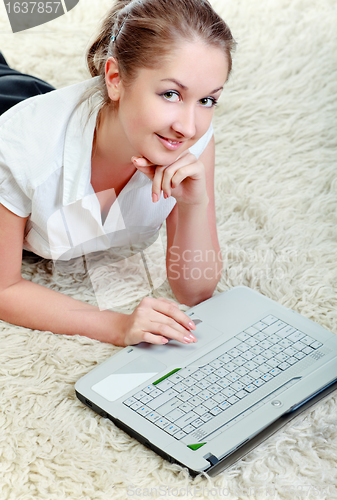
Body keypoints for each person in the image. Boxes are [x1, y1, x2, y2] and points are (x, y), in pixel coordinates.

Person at [0, 0, 235, 346]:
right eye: (171, 94)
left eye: (207, 101)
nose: (188, 127)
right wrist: (118, 326)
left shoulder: (193, 141)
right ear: (114, 78)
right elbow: (5, 288)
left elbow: (196, 290)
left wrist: (193, 206)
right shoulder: (23, 147)